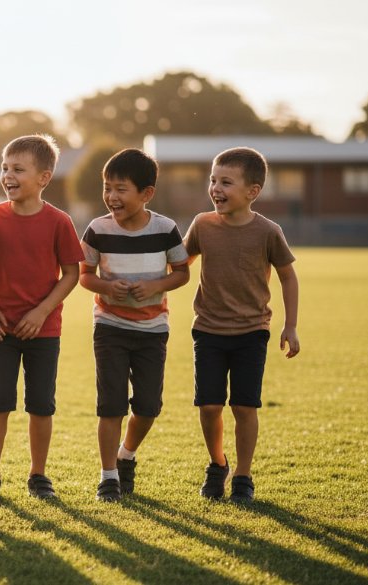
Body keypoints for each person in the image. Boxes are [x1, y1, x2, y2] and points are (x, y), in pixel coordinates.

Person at [184, 146, 301, 504]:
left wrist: (290, 326)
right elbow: (179, 265)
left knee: (244, 407)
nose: (216, 188)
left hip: (252, 332)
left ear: (252, 191)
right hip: (208, 330)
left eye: (226, 182)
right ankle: (218, 464)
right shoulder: (202, 225)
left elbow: (288, 277)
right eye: (213, 180)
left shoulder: (267, 231)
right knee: (209, 406)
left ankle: (243, 476)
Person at [0, 135, 84, 501]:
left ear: (44, 178)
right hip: (0, 329)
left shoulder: (59, 221)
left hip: (44, 329)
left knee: (41, 404)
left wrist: (40, 312)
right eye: (5, 168)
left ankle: (38, 475)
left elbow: (71, 273)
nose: (8, 175)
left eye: (18, 169)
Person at [78, 148, 189, 502]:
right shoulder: (97, 229)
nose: (111, 196)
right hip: (109, 325)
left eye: (121, 189)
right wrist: (107, 287)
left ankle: (126, 455)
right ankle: (108, 475)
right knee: (110, 404)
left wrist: (156, 285)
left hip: (152, 329)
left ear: (146, 194)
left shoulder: (166, 229)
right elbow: (84, 275)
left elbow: (182, 272)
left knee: (147, 407)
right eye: (107, 188)